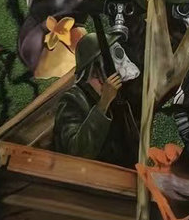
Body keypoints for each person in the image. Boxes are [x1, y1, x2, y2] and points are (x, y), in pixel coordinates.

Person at [53, 33, 139, 167]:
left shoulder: (119, 98)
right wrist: (103, 104)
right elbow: (75, 153)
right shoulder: (73, 99)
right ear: (95, 68)